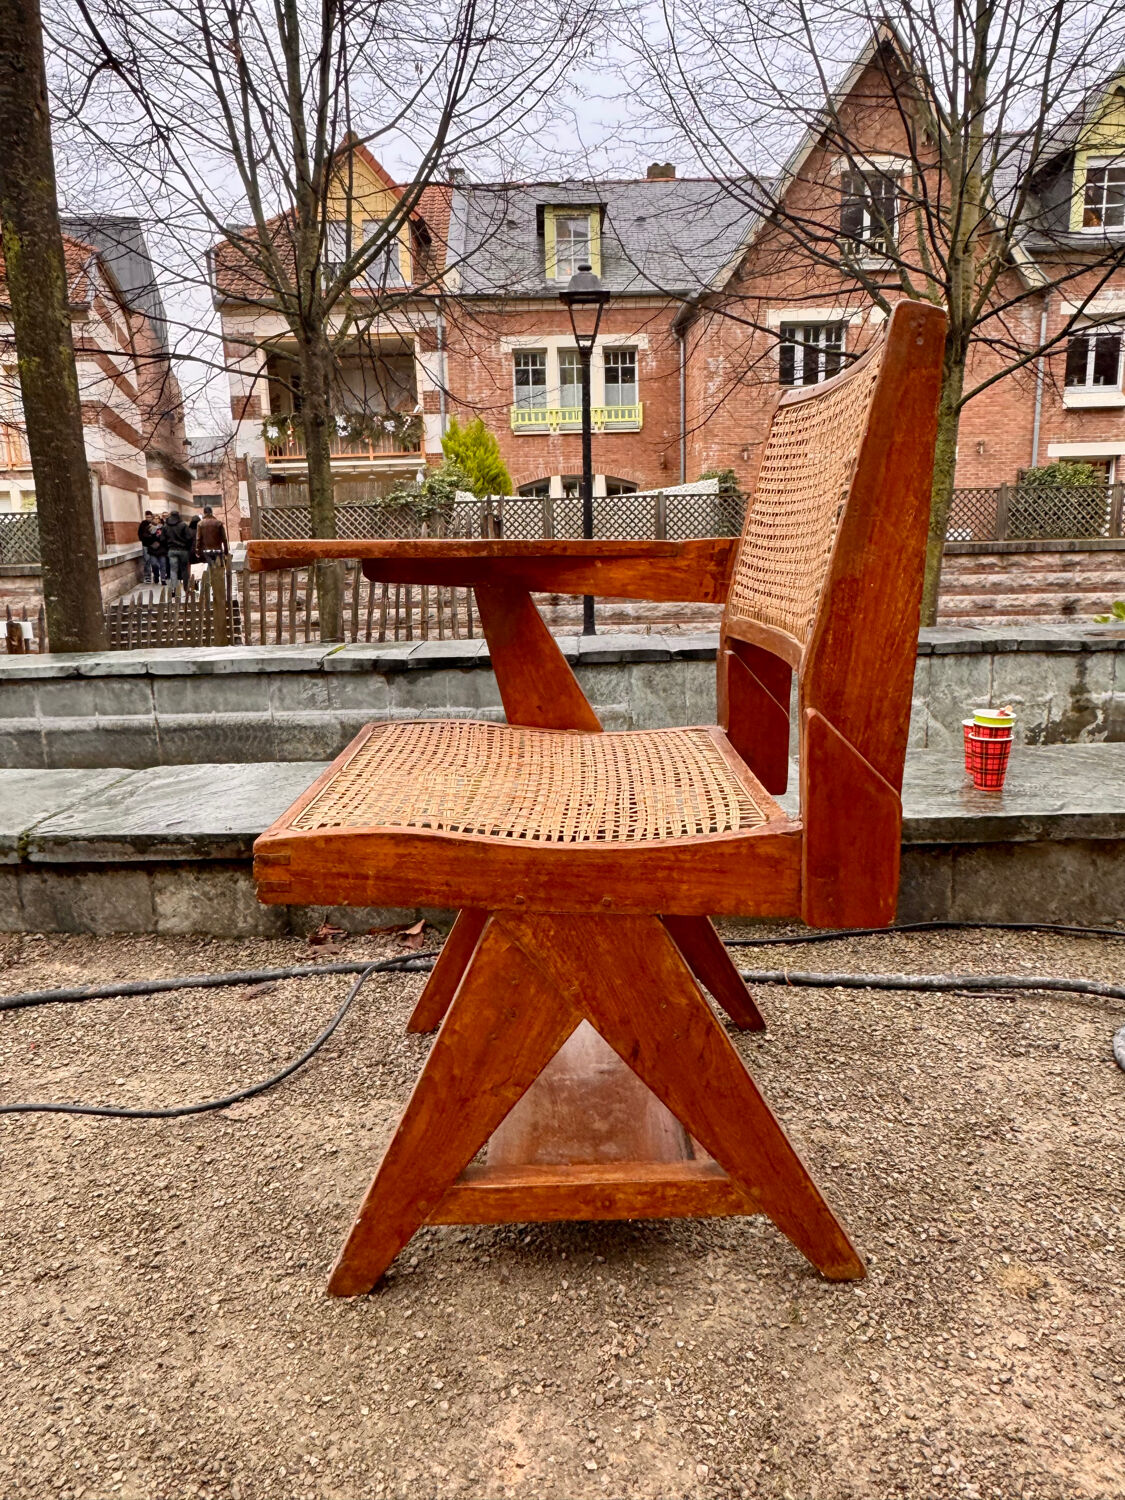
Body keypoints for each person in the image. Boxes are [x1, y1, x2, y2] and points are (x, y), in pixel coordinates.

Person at [164, 510, 194, 590]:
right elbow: (189, 538)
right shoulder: (183, 525)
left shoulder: (166, 526)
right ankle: (186, 587)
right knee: (184, 569)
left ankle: (174, 589)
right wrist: (187, 547)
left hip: (171, 550)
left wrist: (167, 547)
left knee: (173, 570)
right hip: (183, 550)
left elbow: (162, 538)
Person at [137, 510, 160, 584]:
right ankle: (148, 577)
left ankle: (156, 575)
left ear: (152, 517)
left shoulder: (155, 523)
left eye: (149, 517)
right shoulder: (143, 524)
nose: (148, 518)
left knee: (155, 562)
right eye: (147, 517)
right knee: (147, 561)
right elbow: (139, 533)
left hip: (153, 546)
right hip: (146, 545)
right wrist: (143, 539)